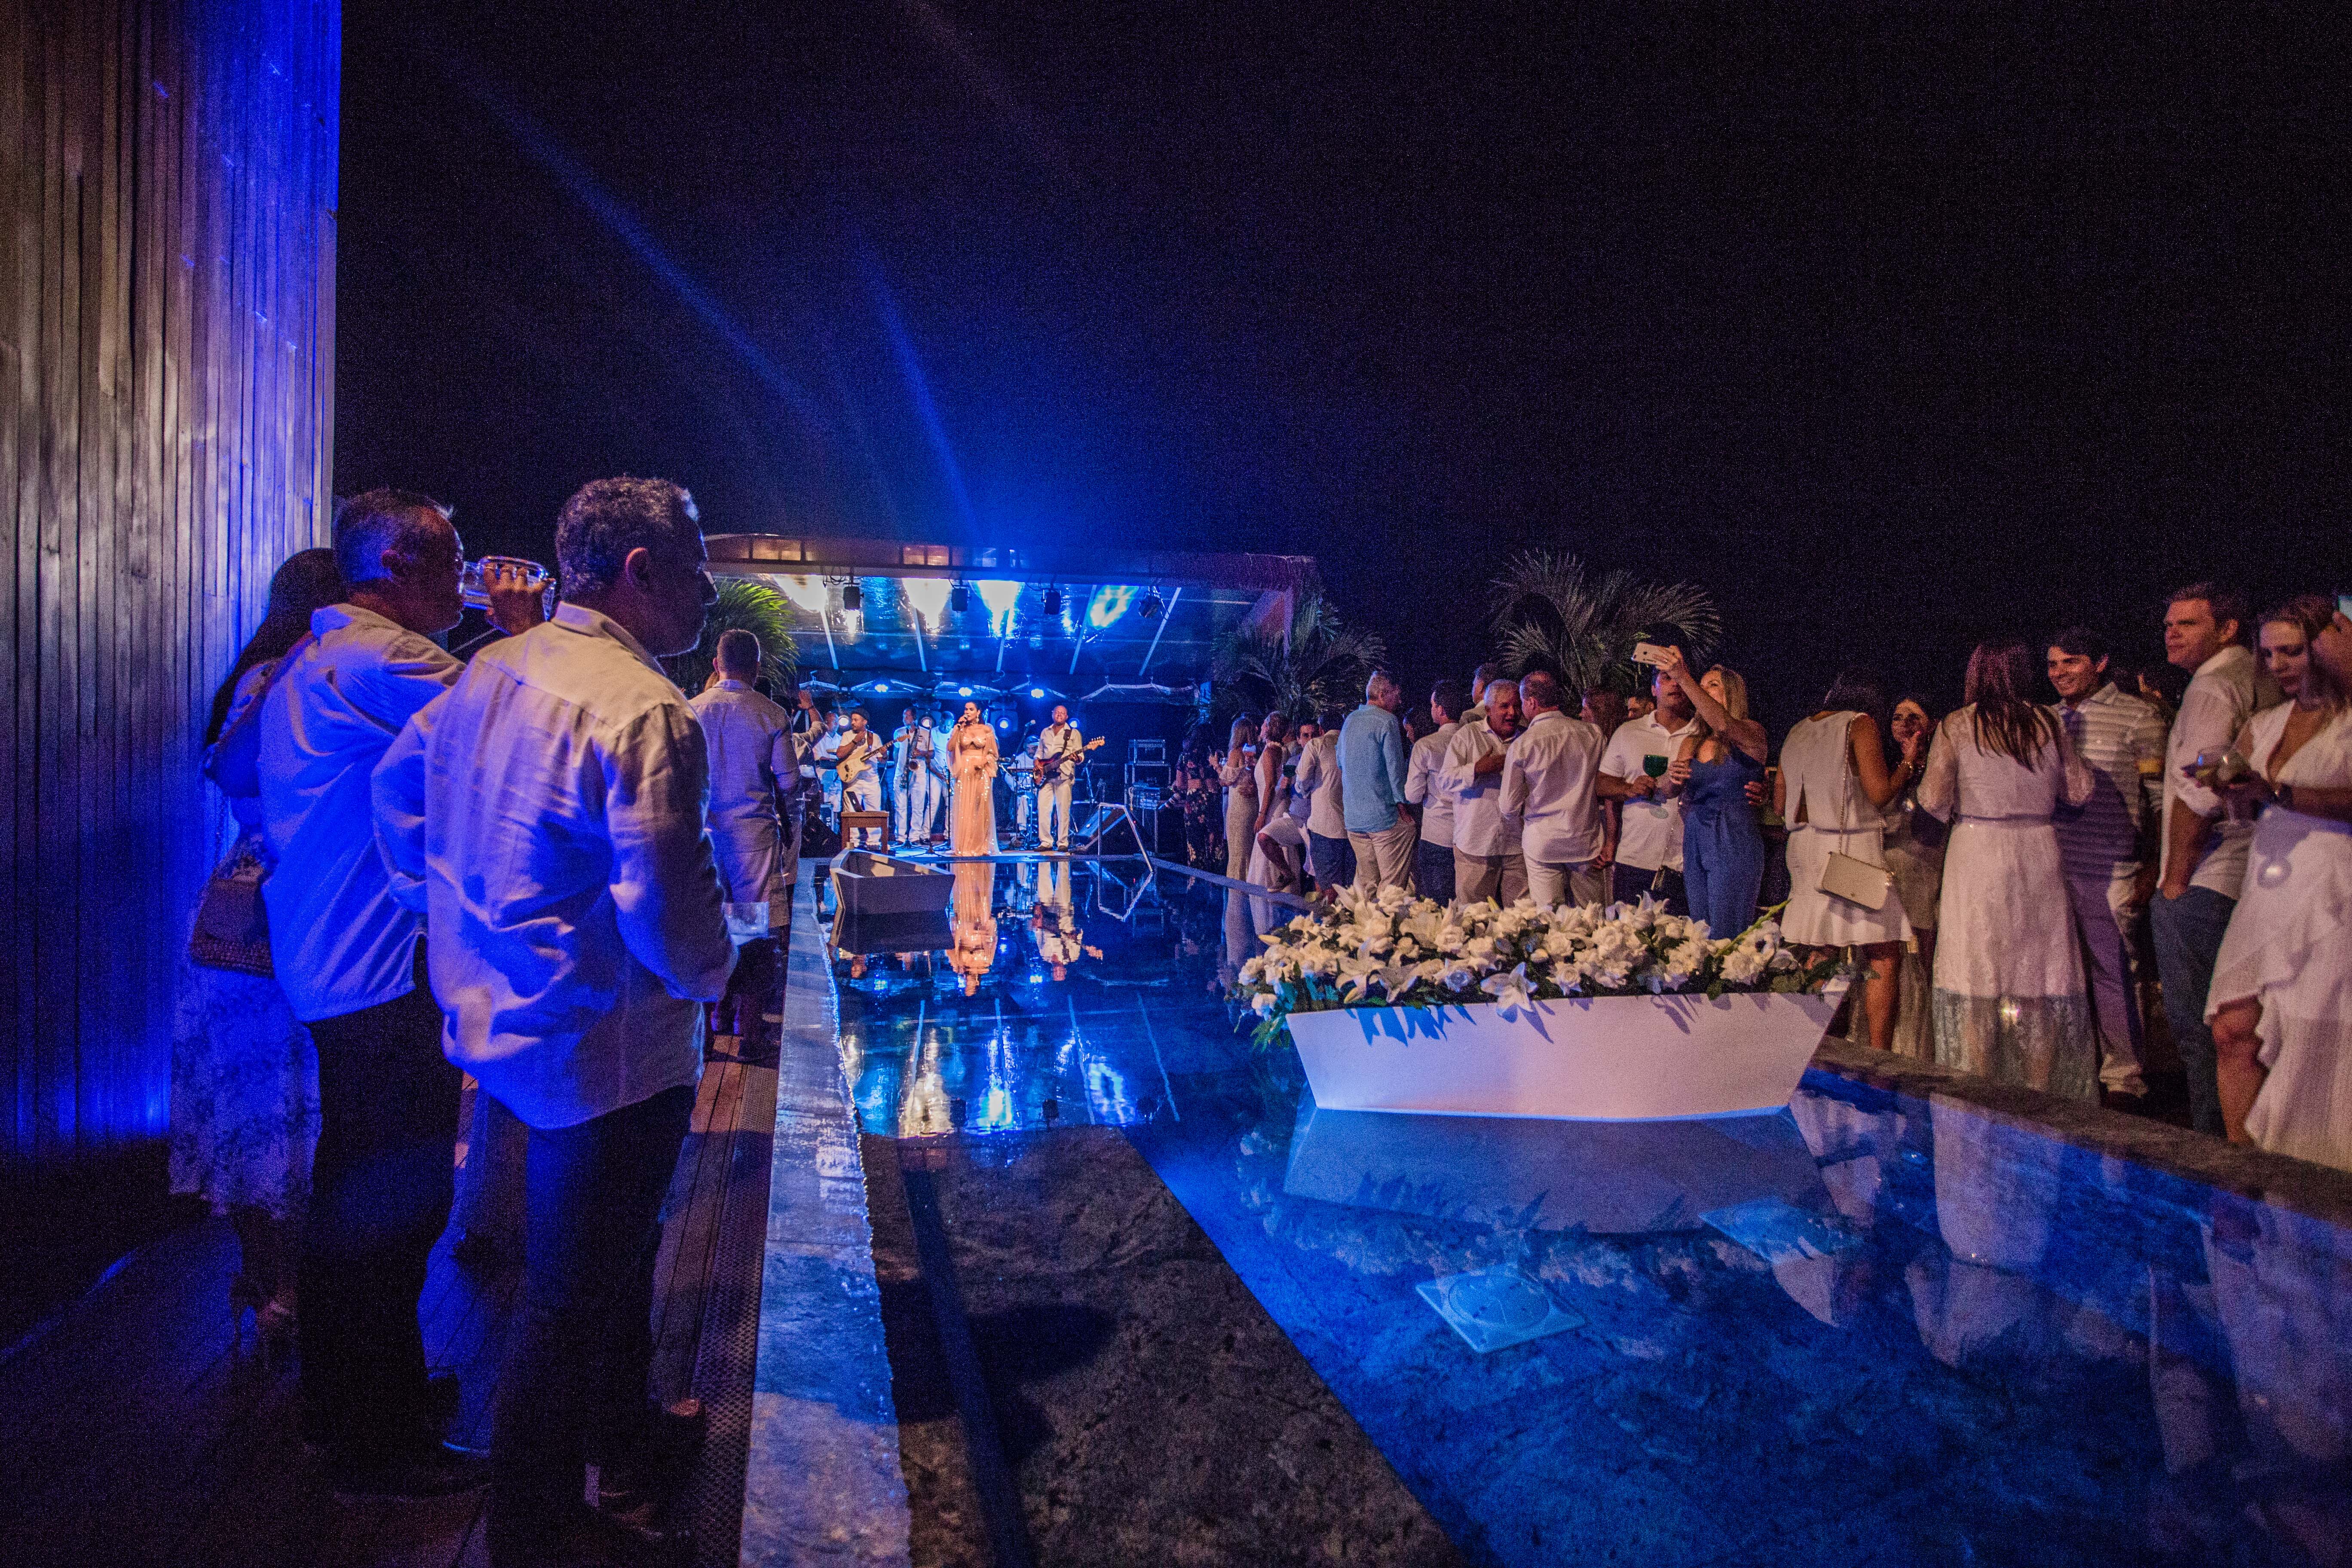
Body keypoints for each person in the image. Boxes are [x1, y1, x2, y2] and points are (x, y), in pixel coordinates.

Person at [374, 475, 730, 1562]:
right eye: (698, 562)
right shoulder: (643, 708)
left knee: (597, 1264)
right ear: (642, 573)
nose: (710, 587)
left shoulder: (489, 669)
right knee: (569, 1298)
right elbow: (668, 913)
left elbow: (394, 795)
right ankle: (532, 1530)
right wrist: (721, 970)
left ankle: (621, 1441)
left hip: (509, 1025)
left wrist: (439, 902)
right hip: (605, 1049)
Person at [259, 491, 538, 1495]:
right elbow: (526, 730)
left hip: (334, 966)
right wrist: (522, 629)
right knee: (394, 1206)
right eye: (456, 560)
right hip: (377, 979)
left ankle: (352, 1406)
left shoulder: (322, 656)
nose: (466, 579)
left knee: (356, 1202)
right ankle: (375, 1445)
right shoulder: (386, 660)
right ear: (403, 564)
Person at [172, 548, 343, 1356]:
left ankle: (260, 1278)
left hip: (231, 909)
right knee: (301, 1113)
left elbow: (228, 777)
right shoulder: (312, 679)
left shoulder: (250, 679)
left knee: (248, 1113)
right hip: (296, 910)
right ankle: (294, 1292)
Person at [2205, 598, 2352, 1170]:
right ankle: (2244, 1167)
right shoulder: (2264, 723)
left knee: (2310, 1035)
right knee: (2231, 1028)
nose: (2281, 664)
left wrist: (2279, 794)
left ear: (2325, 647)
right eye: (2269, 654)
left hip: (2332, 883)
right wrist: (2227, 785)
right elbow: (2244, 787)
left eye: (2292, 650)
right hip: (2269, 885)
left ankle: (2317, 1167)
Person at [1916, 641, 2098, 1099]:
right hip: (2038, 850)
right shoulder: (2047, 720)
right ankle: (2040, 1092)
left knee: (1976, 974)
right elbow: (2079, 790)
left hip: (1978, 850)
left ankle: (1976, 1087)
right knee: (2039, 975)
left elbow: (1933, 800)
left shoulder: (1958, 724)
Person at [2153, 582, 2263, 1135]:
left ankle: (2211, 1160)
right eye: (2169, 624)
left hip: (2205, 877)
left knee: (2203, 1033)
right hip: (2246, 871)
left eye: (2188, 624)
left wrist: (2174, 879)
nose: (2171, 633)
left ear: (2226, 628)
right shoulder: (2249, 674)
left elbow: (2200, 789)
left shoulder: (2214, 686)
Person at [2046, 625, 2169, 1101]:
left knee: (2116, 969)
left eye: (2071, 662)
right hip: (2057, 864)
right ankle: (2077, 1068)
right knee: (2063, 972)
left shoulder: (2139, 717)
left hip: (2114, 864)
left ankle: (2125, 1078)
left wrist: (2152, 866)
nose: (2060, 673)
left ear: (2098, 662)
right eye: (2054, 664)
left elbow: (2159, 800)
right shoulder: (2047, 718)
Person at [1776, 669, 1916, 1052]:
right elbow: (1879, 793)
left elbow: (1780, 803)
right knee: (1883, 946)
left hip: (1804, 849)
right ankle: (1879, 1050)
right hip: (1849, 848)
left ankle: (1803, 1044)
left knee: (1823, 944)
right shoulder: (1860, 724)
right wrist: (1907, 763)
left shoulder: (1797, 730)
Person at [690, 629, 799, 1037]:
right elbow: (789, 784)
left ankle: (712, 1026)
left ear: (717, 665)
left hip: (702, 838)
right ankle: (750, 1031)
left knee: (709, 927)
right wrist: (792, 830)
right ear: (756, 668)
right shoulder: (770, 714)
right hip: (753, 837)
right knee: (753, 931)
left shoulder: (691, 709)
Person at [1657, 652, 1769, 936]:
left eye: (1712, 686)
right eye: (1701, 686)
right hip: (1696, 834)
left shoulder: (1751, 732)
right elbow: (1669, 791)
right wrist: (1671, 778)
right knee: (1700, 931)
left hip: (1732, 835)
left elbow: (1723, 725)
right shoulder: (1692, 742)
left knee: (1726, 931)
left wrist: (1684, 676)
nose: (1702, 691)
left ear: (1732, 693)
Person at [1597, 644, 1703, 913]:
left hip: (1685, 861)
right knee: (1626, 942)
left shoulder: (1703, 735)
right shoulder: (1629, 732)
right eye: (1666, 678)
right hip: (1635, 857)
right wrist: (1630, 788)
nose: (1675, 685)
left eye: (1679, 677)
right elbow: (1601, 783)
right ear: (1654, 689)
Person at [1501, 671, 1608, 908]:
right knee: (1592, 919)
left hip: (1543, 842)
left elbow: (1508, 806)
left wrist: (1525, 829)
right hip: (1585, 839)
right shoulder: (1593, 734)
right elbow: (1605, 784)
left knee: (1548, 919)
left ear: (1531, 702)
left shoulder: (1523, 745)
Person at [1880, 693, 1948, 1058]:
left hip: (1925, 865)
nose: (1904, 723)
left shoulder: (1940, 768)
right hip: (1889, 867)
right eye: (1897, 715)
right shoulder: (1887, 768)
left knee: (1920, 953)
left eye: (1914, 716)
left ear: (1932, 724)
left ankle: (1919, 1046)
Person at [1441, 677, 1526, 904]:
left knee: (1522, 919)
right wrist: (1478, 769)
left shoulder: (1526, 740)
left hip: (1516, 844)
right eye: (1505, 706)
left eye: (1517, 706)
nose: (1513, 712)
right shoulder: (1468, 736)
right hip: (1476, 845)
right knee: (1473, 919)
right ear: (1488, 709)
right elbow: (1445, 781)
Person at [1340, 670, 1417, 892]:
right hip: (1382, 817)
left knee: (1367, 885)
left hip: (1354, 818)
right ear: (1383, 694)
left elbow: (1341, 762)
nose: (1399, 701)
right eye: (1396, 694)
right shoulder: (1387, 721)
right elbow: (1395, 770)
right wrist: (1402, 805)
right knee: (1391, 888)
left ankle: (1360, 925)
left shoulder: (1350, 720)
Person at [1405, 680, 1468, 903]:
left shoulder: (1426, 745)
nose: (1432, 709)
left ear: (1440, 710)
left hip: (1437, 833)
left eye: (1433, 705)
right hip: (1468, 834)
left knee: (1436, 904)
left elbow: (1412, 794)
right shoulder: (1475, 740)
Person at [1292, 710, 1351, 894]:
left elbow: (1302, 779)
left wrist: (1305, 790)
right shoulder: (1351, 745)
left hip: (1324, 826)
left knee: (1327, 890)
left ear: (1320, 729)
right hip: (1351, 828)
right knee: (1347, 889)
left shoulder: (1316, 745)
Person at [1245, 712, 1295, 891]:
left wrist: (1261, 815)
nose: (1261, 727)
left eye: (1264, 724)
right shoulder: (1281, 750)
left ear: (1270, 729)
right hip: (1280, 805)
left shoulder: (1269, 752)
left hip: (1272, 810)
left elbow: (1270, 786)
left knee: (1267, 844)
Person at [948, 700, 1001, 855]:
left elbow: (994, 753)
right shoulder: (960, 729)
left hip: (982, 770)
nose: (968, 712)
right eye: (966, 709)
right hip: (965, 770)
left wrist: (984, 762)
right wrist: (958, 729)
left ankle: (982, 845)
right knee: (966, 807)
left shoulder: (987, 729)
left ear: (979, 712)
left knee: (982, 805)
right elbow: (951, 748)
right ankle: (966, 845)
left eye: (971, 709)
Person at [832, 709, 888, 849]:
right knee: (850, 811)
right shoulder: (847, 735)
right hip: (852, 780)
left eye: (856, 720)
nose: (853, 723)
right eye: (852, 720)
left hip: (871, 780)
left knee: (874, 810)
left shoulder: (874, 738)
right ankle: (853, 842)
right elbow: (840, 754)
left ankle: (874, 842)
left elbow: (883, 761)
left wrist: (885, 755)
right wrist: (854, 742)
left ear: (865, 722)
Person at [1035, 703, 1085, 849]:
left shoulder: (1074, 733)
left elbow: (1080, 754)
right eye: (1057, 713)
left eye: (1062, 713)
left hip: (1064, 775)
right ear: (1052, 714)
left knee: (1063, 811)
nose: (1059, 715)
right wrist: (1037, 761)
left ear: (1067, 717)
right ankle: (1046, 842)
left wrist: (1077, 758)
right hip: (1046, 776)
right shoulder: (1045, 731)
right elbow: (1040, 751)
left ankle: (1063, 842)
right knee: (1043, 809)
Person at [1217, 715, 1260, 880]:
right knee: (1248, 849)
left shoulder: (1236, 753)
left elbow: (1225, 781)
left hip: (1239, 807)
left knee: (1237, 851)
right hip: (1252, 805)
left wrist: (1216, 765)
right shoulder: (1256, 752)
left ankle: (1238, 891)